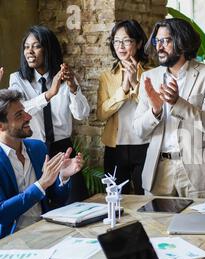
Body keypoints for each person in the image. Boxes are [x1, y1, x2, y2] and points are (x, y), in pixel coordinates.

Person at [133, 18, 205, 198]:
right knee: (155, 226)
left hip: (197, 172)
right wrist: (155, 112)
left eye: (166, 41)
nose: (159, 46)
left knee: (198, 226)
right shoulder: (149, 78)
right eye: (157, 41)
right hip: (159, 171)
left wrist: (179, 103)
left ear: (182, 43)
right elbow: (138, 131)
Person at [9, 25, 90, 203]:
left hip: (63, 150)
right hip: (34, 150)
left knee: (75, 204)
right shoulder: (17, 80)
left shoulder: (64, 77)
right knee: (41, 206)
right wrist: (48, 95)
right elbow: (20, 111)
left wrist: (74, 89)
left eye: (36, 46)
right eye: (26, 47)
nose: (29, 51)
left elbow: (82, 114)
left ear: (48, 49)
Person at [0, 89, 84, 239]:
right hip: (11, 240)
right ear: (1, 126)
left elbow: (57, 199)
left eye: (24, 111)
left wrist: (62, 177)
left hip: (45, 230)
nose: (28, 117)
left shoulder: (37, 147)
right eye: (19, 115)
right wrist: (41, 185)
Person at [97, 20, 151, 195]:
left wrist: (135, 82)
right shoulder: (106, 77)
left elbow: (155, 108)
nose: (121, 46)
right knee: (116, 200)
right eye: (116, 41)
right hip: (115, 148)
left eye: (126, 41)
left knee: (146, 198)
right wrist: (124, 89)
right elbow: (102, 113)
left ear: (139, 43)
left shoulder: (151, 74)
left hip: (145, 145)